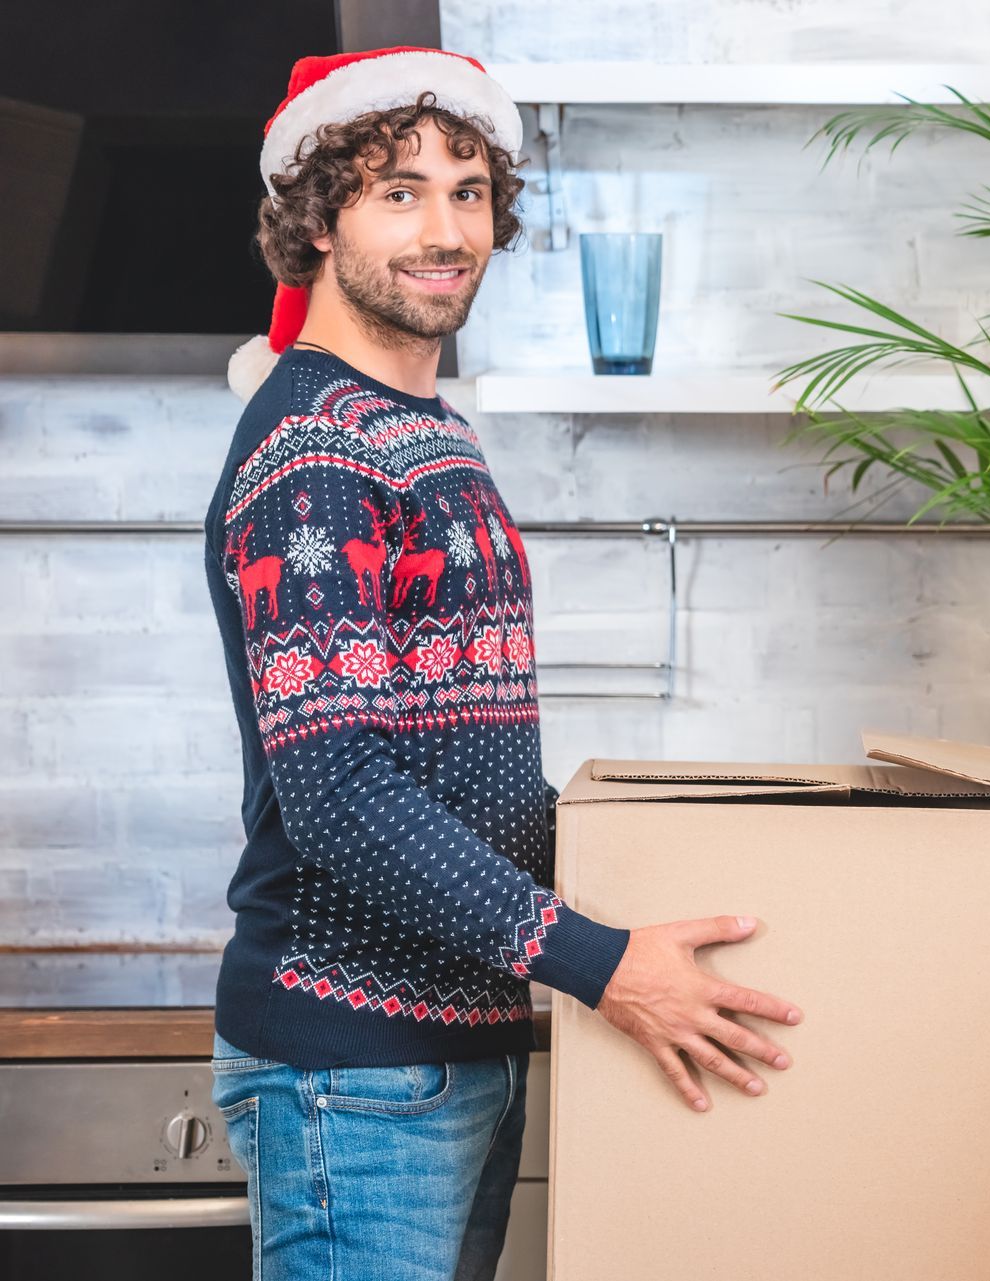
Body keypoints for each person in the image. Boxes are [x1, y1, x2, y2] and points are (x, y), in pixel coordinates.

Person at [202, 45, 801, 1280]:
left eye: (468, 191)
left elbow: (457, 770)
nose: (445, 228)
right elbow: (343, 794)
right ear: (319, 223)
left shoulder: (422, 432)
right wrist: (599, 962)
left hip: (452, 1049)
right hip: (351, 1074)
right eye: (399, 190)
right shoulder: (317, 452)